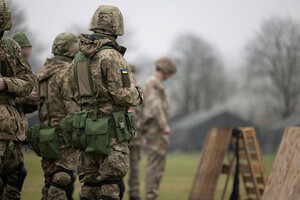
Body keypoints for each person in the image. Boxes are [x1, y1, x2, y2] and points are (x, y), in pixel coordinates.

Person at [67, 5, 143, 200]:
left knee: (90, 184)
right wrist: (139, 94)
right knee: (111, 183)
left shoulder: (78, 58)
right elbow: (123, 94)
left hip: (85, 128)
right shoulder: (112, 56)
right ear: (117, 27)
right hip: (111, 131)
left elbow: (73, 92)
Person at [36, 32, 80, 200]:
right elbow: (72, 107)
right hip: (64, 136)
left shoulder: (43, 73)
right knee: (63, 178)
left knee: (50, 181)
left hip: (45, 135)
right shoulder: (66, 72)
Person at [0, 0, 36, 199]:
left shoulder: (10, 47)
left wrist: (7, 84)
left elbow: (28, 80)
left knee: (17, 174)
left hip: (11, 128)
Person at [143, 57, 177, 200]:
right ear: (165, 70)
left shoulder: (158, 84)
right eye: (170, 73)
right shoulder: (153, 83)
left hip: (157, 131)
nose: (170, 76)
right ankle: (151, 196)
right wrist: (164, 126)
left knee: (158, 166)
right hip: (155, 130)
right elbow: (154, 107)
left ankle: (153, 195)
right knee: (154, 166)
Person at [12, 32, 38, 130]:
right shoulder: (8, 69)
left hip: (17, 126)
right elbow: (7, 97)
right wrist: (27, 97)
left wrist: (31, 104)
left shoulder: (24, 71)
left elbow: (20, 108)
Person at [128, 65, 143, 200]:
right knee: (115, 168)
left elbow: (144, 115)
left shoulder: (139, 90)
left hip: (137, 137)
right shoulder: (121, 88)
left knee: (135, 169)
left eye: (133, 72)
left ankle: (134, 194)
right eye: (129, 72)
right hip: (122, 137)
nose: (132, 75)